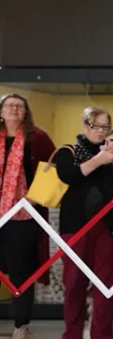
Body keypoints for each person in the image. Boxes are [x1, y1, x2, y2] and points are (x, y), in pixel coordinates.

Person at [56, 107, 113, 339]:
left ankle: (102, 334)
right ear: (84, 126)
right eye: (95, 126)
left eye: (105, 127)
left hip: (109, 227)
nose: (101, 131)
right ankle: (72, 334)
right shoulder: (68, 151)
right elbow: (68, 175)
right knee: (74, 285)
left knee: (106, 286)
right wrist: (99, 160)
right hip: (76, 227)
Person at [0, 92, 56, 339]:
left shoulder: (39, 137)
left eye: (19, 106)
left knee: (22, 273)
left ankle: (20, 324)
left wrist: (36, 196)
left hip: (23, 216)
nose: (14, 109)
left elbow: (55, 168)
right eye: (9, 105)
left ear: (26, 112)